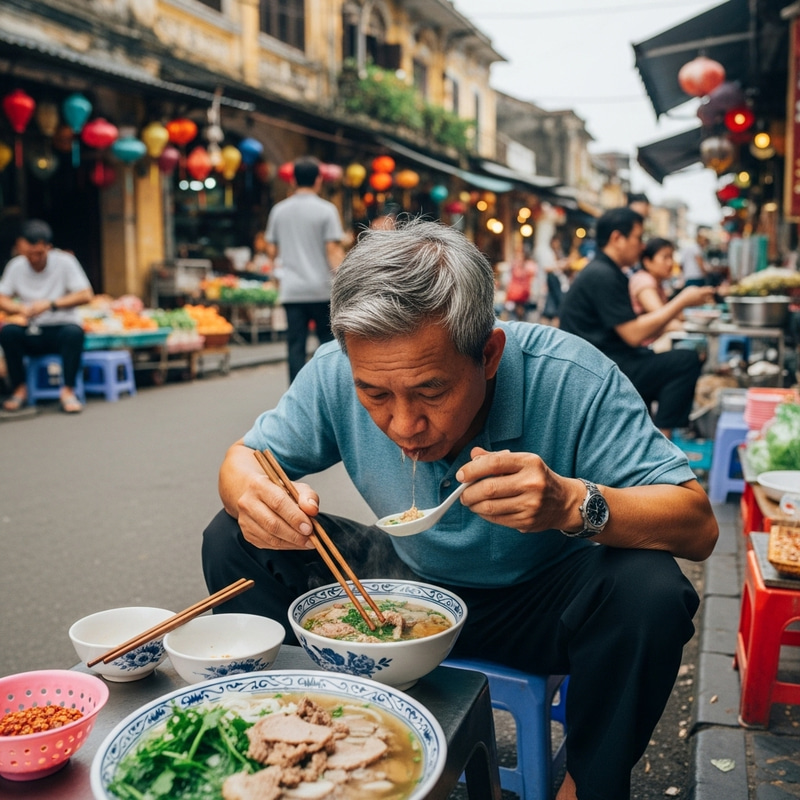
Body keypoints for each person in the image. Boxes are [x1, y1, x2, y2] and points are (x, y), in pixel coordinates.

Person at [201, 218, 718, 799]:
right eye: (375, 394)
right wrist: (256, 497)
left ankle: (586, 784)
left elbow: (697, 524)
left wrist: (573, 502)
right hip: (395, 590)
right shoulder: (335, 371)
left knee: (648, 588)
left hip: (537, 607)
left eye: (431, 391)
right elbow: (243, 459)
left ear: (489, 353)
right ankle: (304, 731)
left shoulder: (571, 377)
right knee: (233, 537)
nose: (403, 425)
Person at [559, 208, 715, 438]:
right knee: (685, 361)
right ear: (617, 239)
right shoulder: (602, 274)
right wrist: (681, 301)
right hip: (599, 370)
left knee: (672, 358)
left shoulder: (608, 271)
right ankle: (662, 440)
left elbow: (635, 328)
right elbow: (633, 334)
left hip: (609, 360)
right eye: (638, 238)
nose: (642, 246)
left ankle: (649, 433)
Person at [264, 156, 345, 383]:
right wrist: (345, 279)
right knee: (330, 346)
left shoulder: (278, 211)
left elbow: (272, 251)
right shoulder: (327, 210)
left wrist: (278, 273)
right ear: (319, 180)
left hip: (293, 290)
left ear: (292, 181)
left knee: (295, 346)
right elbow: (332, 251)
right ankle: (331, 391)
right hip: (321, 289)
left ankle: (297, 398)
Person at [0, 219, 93, 413]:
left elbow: (86, 294)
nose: (33, 258)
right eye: (28, 254)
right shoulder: (15, 266)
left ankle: (68, 390)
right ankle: (20, 388)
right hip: (32, 329)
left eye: (39, 253)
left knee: (74, 333)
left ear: (48, 247)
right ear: (19, 247)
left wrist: (51, 304)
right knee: (9, 332)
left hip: (60, 328)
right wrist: (19, 309)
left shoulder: (65, 262)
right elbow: (2, 298)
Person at [629, 237, 685, 347]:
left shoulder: (658, 283)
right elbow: (661, 316)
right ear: (647, 262)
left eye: (671, 257)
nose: (670, 263)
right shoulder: (643, 280)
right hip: (644, 348)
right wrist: (684, 300)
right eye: (665, 257)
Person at [503, 241, 536, 321]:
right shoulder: (517, 265)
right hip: (516, 294)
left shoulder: (527, 265)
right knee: (515, 314)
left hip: (520, 294)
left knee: (519, 314)